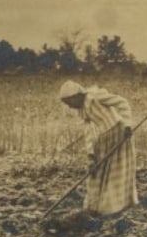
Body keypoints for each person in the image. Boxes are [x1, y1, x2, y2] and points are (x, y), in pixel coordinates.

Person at [58, 80, 138, 215]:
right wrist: (91, 155)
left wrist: (128, 124)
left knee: (116, 171)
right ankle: (95, 206)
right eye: (67, 104)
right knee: (96, 172)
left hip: (120, 133)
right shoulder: (82, 110)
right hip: (104, 139)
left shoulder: (95, 96)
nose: (70, 106)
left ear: (76, 96)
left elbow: (122, 102)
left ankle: (115, 206)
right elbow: (89, 132)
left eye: (69, 102)